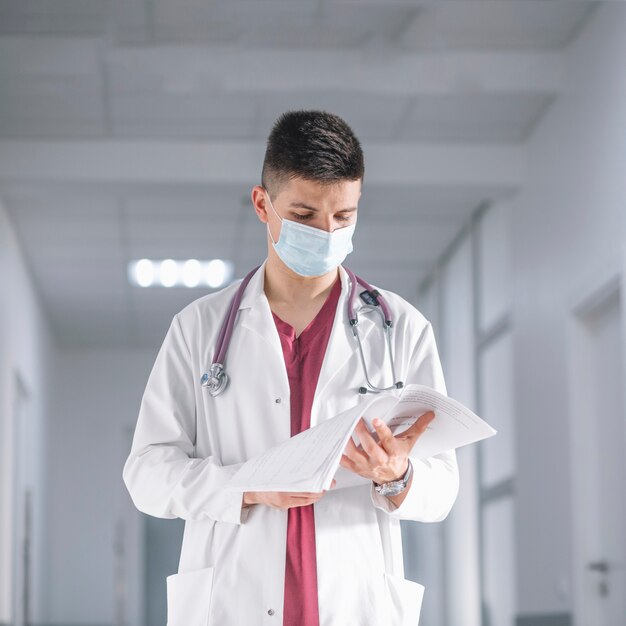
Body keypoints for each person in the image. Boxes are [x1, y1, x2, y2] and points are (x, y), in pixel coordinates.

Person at [122, 110, 459, 626]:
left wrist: (397, 476)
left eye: (343, 217)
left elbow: (442, 490)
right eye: (304, 216)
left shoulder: (401, 329)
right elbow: (146, 475)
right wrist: (250, 487)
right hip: (232, 602)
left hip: (355, 605)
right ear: (263, 204)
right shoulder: (199, 329)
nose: (326, 234)